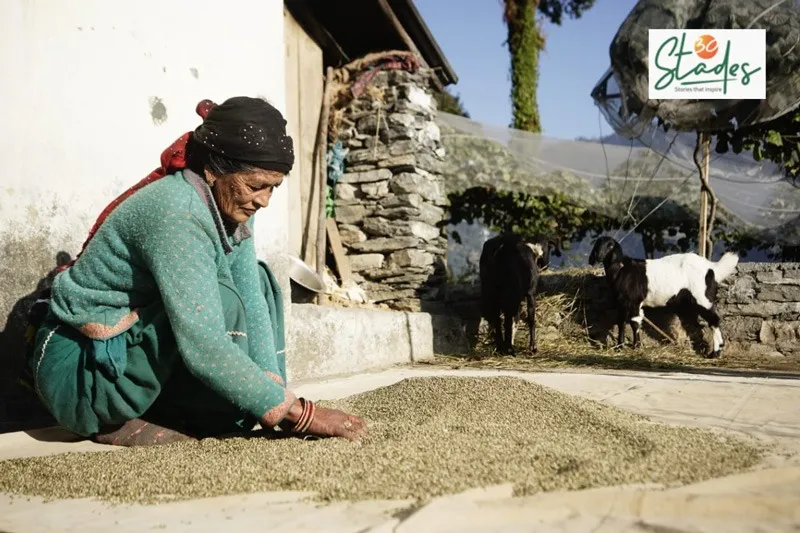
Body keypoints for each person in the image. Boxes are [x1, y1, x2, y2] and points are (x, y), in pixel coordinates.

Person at [25, 97, 367, 446]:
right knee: (220, 299)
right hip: (80, 376)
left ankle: (189, 407)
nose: (264, 200)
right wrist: (300, 414)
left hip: (125, 354)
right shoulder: (180, 211)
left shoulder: (230, 208)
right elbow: (203, 346)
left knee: (261, 282)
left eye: (272, 188)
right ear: (213, 170)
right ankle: (111, 419)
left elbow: (251, 296)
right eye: (255, 186)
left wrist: (274, 400)